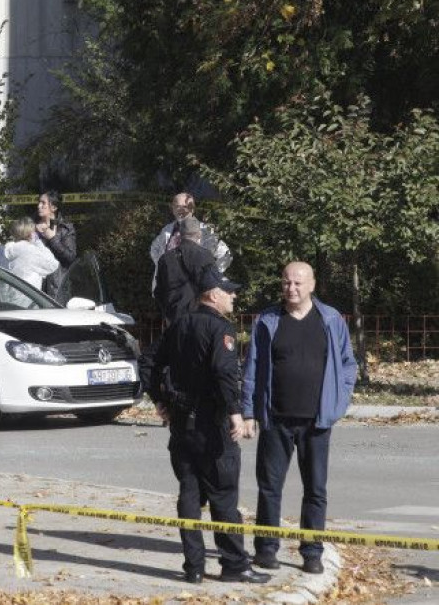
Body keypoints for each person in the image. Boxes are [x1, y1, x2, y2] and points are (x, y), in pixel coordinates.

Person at [141, 267, 268, 585]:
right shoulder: (219, 328)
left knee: (189, 495)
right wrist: (235, 411)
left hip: (182, 427)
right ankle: (234, 565)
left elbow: (147, 362)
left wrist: (158, 398)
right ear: (212, 295)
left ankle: (194, 568)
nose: (234, 296)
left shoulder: (179, 323)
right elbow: (224, 372)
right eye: (229, 291)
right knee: (224, 498)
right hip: (213, 426)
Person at [242, 261, 357, 575]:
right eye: (286, 283)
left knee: (316, 490)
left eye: (297, 283)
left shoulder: (331, 319)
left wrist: (338, 402)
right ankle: (266, 550)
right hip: (276, 419)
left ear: (312, 285)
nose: (291, 289)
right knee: (269, 489)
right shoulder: (267, 320)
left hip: (316, 422)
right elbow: (251, 368)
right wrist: (249, 411)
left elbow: (348, 365)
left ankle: (312, 552)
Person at [150, 192, 231, 293]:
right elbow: (154, 248)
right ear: (173, 209)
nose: (181, 210)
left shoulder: (206, 231)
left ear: (192, 208)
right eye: (177, 206)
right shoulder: (168, 229)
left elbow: (225, 255)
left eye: (185, 206)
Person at [0, 217, 59, 297]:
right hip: (29, 305)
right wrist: (37, 241)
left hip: (7, 304)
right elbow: (53, 264)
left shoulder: (2, 251)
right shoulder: (33, 252)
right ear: (31, 234)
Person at [154, 216, 217, 323]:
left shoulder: (165, 258)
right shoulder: (206, 256)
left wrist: (168, 312)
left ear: (180, 234)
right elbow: (213, 288)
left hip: (174, 317)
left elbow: (158, 292)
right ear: (199, 234)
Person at [34, 190, 76, 298]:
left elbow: (70, 258)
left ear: (53, 208)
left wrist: (52, 238)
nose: (39, 206)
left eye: (43, 203)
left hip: (57, 289)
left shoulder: (65, 228)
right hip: (34, 287)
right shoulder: (32, 228)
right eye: (39, 202)